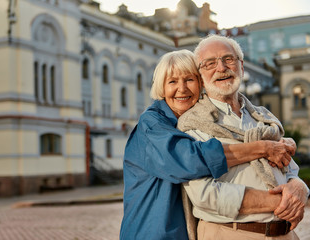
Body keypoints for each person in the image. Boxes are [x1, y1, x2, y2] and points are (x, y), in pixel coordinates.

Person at [119, 49, 295, 240]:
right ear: (161, 87)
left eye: (189, 79)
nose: (182, 88)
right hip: (153, 232)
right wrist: (262, 148)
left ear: (201, 83)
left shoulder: (198, 121)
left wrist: (280, 144)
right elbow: (189, 160)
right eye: (172, 82)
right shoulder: (152, 124)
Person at [178, 35, 310, 240]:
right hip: (230, 233)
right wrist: (281, 202)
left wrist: (299, 187)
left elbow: (290, 169)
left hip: (285, 234)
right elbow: (204, 194)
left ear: (241, 65)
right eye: (210, 63)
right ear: (200, 75)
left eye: (228, 59)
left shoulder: (264, 118)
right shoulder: (192, 123)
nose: (221, 68)